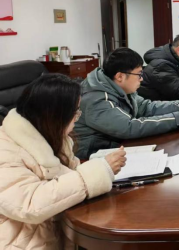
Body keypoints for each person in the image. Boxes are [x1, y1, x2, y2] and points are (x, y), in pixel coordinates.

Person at [0, 74, 127, 250]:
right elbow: (30, 205)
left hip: (59, 232)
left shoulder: (51, 134)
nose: (76, 119)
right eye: (75, 113)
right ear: (54, 115)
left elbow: (69, 173)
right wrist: (98, 172)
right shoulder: (5, 150)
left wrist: (103, 170)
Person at [75, 48, 179, 160]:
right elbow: (129, 127)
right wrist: (178, 119)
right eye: (139, 74)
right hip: (94, 157)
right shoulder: (96, 98)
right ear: (120, 76)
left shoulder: (119, 86)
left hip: (118, 147)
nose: (142, 79)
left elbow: (145, 107)